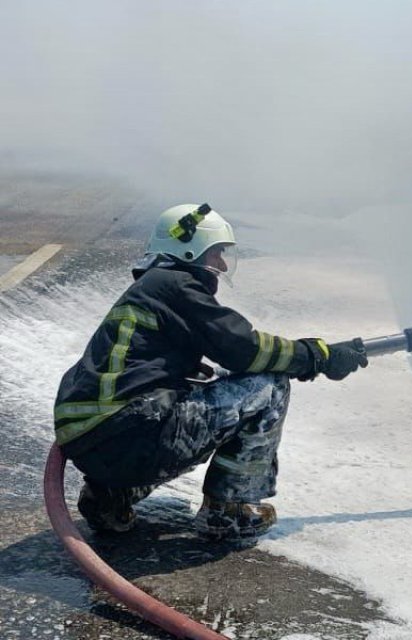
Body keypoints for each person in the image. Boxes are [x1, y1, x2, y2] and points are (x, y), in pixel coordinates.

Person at [53, 203, 368, 541]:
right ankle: (228, 509)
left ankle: (110, 496)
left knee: (199, 395)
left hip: (93, 444)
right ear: (190, 249)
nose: (221, 264)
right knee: (269, 383)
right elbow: (244, 349)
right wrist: (317, 355)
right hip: (135, 437)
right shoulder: (175, 285)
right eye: (217, 252)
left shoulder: (148, 291)